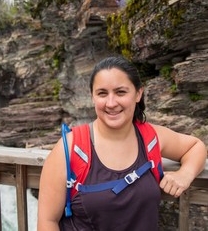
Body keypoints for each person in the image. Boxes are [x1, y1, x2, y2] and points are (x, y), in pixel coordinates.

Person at [37, 55, 207, 231]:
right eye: (102, 93)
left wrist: (185, 174)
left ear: (138, 94)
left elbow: (196, 147)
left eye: (120, 92)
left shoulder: (151, 137)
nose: (111, 103)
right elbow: (47, 221)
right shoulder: (71, 148)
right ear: (92, 97)